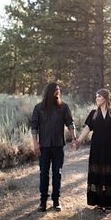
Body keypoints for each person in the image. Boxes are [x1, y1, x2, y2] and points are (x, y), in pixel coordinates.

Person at [73, 88, 111, 213]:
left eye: (99, 96)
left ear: (105, 98)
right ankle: (99, 203)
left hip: (108, 146)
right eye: (96, 97)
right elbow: (87, 128)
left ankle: (108, 203)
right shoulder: (93, 113)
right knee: (97, 172)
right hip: (96, 146)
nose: (97, 99)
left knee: (108, 172)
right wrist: (78, 141)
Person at [30, 82, 75, 212]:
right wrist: (35, 143)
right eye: (56, 90)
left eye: (59, 90)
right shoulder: (39, 108)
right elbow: (34, 127)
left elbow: (70, 123)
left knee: (57, 173)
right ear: (49, 92)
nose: (58, 92)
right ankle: (43, 201)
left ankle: (56, 200)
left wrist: (74, 138)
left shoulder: (64, 107)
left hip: (58, 145)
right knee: (43, 173)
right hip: (43, 146)